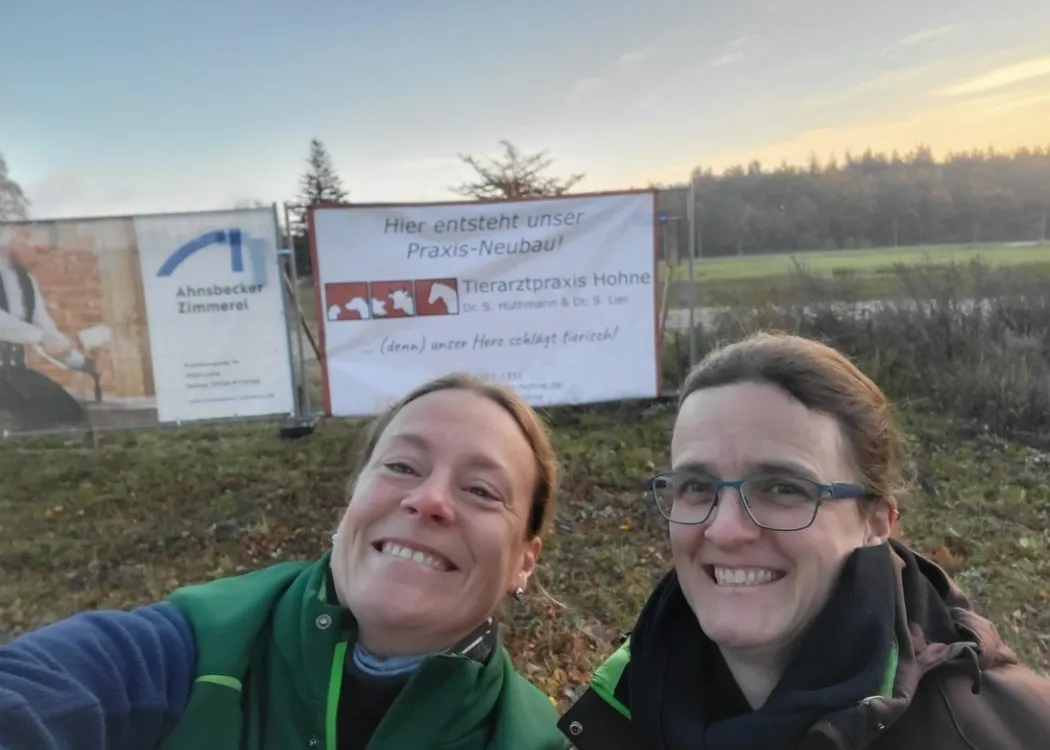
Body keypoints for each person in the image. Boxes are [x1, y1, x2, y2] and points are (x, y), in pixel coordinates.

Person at [0, 373, 568, 750]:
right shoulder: (194, 651)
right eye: (401, 467)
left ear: (525, 560)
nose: (429, 500)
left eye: (481, 490)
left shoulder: (534, 741)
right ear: (352, 503)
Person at [559, 332, 1050, 750]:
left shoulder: (1007, 732)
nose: (725, 530)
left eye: (783, 488)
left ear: (877, 520)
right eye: (696, 487)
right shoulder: (611, 713)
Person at [0, 224, 90, 431]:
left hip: (15, 372)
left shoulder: (27, 281)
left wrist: (80, 361)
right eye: (27, 238)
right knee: (15, 422)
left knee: (68, 414)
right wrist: (40, 337)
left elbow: (45, 327)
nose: (39, 251)